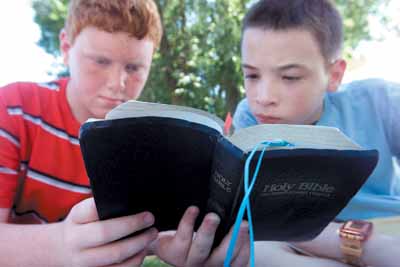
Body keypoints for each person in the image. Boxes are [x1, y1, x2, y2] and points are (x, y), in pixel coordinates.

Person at [0, 1, 249, 266]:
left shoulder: (158, 139)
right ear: (65, 48)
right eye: (100, 61)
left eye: (133, 68)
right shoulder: (14, 109)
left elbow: (144, 231)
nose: (117, 83)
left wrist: (162, 242)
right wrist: (59, 246)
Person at [233, 0, 400, 265]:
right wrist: (365, 245)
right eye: (252, 76)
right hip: (311, 240)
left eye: (289, 77)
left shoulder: (380, 100)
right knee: (257, 249)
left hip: (389, 230)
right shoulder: (249, 117)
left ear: (334, 75)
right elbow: (265, 218)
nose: (263, 98)